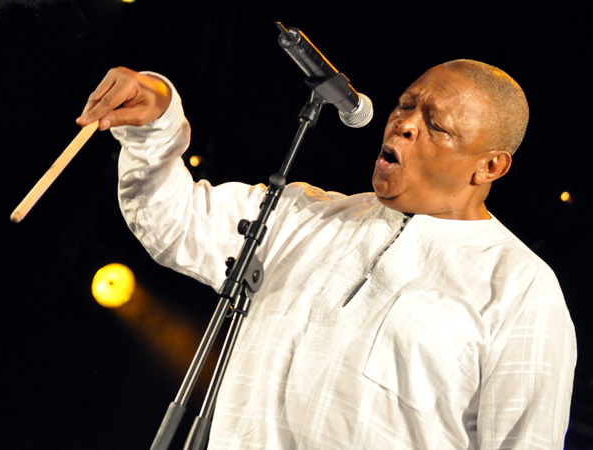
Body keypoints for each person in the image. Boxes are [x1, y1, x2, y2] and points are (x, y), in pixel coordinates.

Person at [77, 60, 576, 449]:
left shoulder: (519, 289)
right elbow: (174, 221)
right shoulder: (302, 215)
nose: (403, 125)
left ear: (490, 165)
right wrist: (155, 121)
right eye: (405, 105)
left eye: (436, 125)